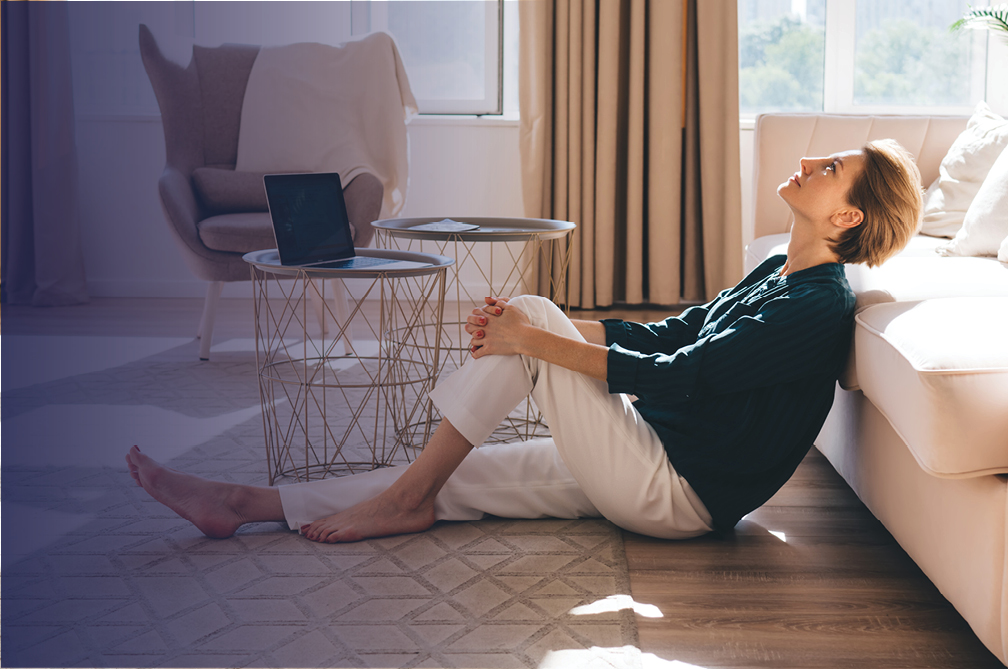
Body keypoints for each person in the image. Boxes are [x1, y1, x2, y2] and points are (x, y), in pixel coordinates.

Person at [126, 138, 923, 543]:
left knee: (533, 316)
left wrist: (534, 335)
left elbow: (682, 374)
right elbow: (675, 329)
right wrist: (538, 331)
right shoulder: (775, 271)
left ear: (846, 217)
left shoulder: (813, 307)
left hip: (675, 492)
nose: (809, 163)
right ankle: (243, 505)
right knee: (453, 477)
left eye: (831, 168)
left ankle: (402, 499)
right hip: (647, 453)